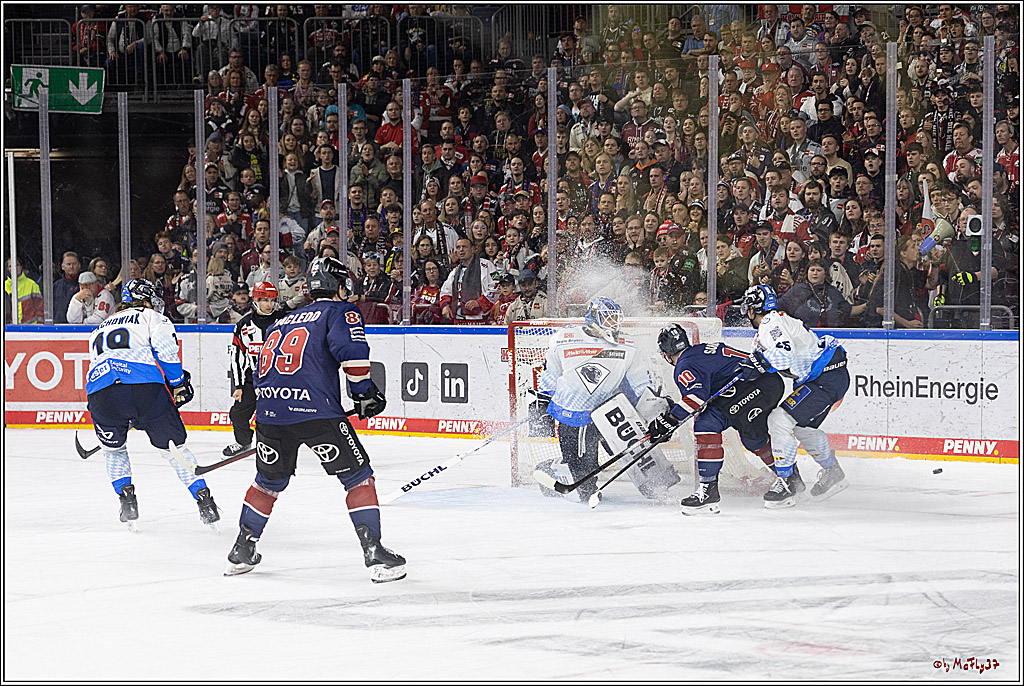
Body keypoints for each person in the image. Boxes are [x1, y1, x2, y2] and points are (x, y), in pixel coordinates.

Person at [224, 257, 405, 582]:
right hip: (316, 412)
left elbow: (261, 371)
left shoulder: (283, 321)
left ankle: (242, 550)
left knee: (267, 482)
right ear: (340, 285)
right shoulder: (341, 311)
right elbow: (352, 354)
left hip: (270, 414)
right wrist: (363, 394)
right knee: (358, 477)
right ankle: (374, 552)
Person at [85, 278, 219, 531]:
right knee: (173, 449)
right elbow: (166, 353)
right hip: (144, 389)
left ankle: (127, 502)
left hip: (100, 394)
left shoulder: (99, 328)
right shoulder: (151, 317)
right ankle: (205, 501)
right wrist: (178, 383)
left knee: (114, 451)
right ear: (144, 299)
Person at [532, 297, 676, 503]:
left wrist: (656, 409)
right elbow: (550, 374)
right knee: (585, 490)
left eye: (616, 319)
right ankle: (555, 469)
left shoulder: (627, 344)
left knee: (635, 449)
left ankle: (655, 483)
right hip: (573, 415)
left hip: (610, 411)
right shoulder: (564, 338)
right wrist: (542, 402)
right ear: (593, 319)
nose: (613, 324)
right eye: (608, 319)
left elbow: (640, 382)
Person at [647, 324, 781, 514]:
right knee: (753, 439)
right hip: (766, 383)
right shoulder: (703, 349)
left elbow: (696, 398)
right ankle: (790, 478)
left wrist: (670, 420)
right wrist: (672, 418)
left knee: (706, 423)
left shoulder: (684, 365)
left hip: (749, 388)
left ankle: (708, 491)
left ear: (666, 355)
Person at [737, 285, 850, 508]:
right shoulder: (774, 324)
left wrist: (759, 362)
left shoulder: (770, 323)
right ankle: (833, 472)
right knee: (801, 428)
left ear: (751, 309)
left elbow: (783, 355)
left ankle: (787, 482)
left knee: (779, 420)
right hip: (828, 377)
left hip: (824, 378)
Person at [224, 281, 288, 459]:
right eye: (265, 300)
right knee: (237, 414)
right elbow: (237, 357)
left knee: (274, 414)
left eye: (272, 300)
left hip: (279, 378)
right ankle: (243, 442)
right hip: (253, 378)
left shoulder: (284, 321)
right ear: (255, 300)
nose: (269, 304)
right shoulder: (243, 325)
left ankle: (282, 442)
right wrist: (238, 386)